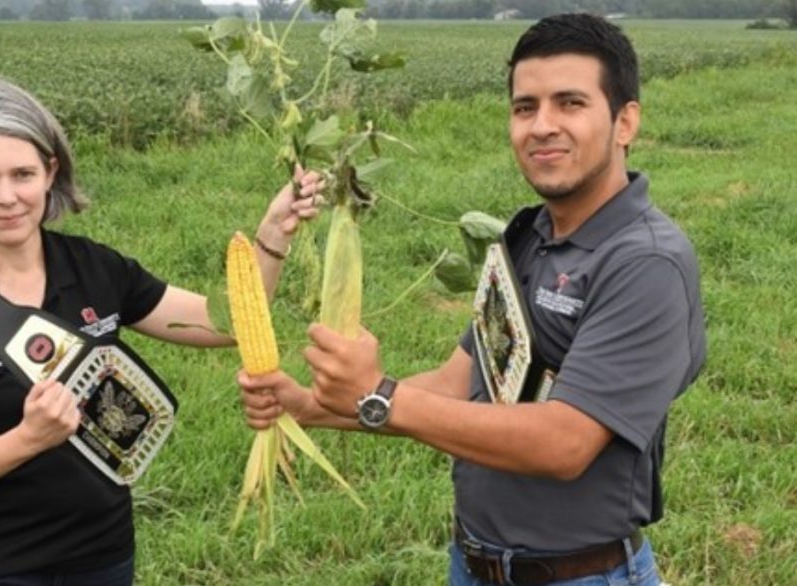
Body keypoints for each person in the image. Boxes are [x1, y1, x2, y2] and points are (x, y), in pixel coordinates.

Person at [239, 13, 706, 586]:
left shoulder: (647, 263)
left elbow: (566, 442)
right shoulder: (525, 237)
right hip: (473, 565)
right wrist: (311, 406)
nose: (542, 126)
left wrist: (378, 393)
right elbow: (460, 383)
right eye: (525, 107)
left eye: (571, 103)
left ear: (625, 121)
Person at [0, 77, 322, 585]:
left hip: (101, 557)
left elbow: (223, 325)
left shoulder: (96, 269)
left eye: (23, 173)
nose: (6, 197)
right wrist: (27, 439)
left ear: (51, 171)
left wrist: (271, 234)